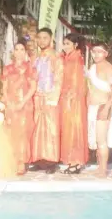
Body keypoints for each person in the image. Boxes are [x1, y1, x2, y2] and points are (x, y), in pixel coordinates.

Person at [28, 28, 62, 174]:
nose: (42, 41)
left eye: (45, 38)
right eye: (39, 38)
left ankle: (52, 160)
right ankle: (38, 159)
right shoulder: (34, 57)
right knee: (37, 127)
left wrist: (53, 96)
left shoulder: (56, 56)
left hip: (50, 96)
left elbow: (59, 77)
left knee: (51, 127)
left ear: (51, 39)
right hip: (36, 95)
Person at [2, 40, 37, 175]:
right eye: (17, 49)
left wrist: (22, 102)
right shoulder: (7, 68)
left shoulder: (30, 68)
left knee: (23, 133)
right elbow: (5, 88)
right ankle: (12, 160)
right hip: (11, 103)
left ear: (26, 52)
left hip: (25, 105)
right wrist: (8, 102)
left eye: (22, 49)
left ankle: (21, 162)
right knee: (11, 133)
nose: (19, 52)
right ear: (13, 52)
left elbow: (33, 88)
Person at [86, 43, 112, 178]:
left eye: (100, 52)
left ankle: (103, 169)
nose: (96, 54)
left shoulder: (109, 69)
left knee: (101, 140)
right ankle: (100, 166)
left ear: (106, 53)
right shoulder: (93, 67)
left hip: (102, 106)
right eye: (94, 52)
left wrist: (106, 108)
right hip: (92, 107)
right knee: (96, 140)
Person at [59, 33, 88, 174]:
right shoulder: (69, 57)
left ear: (75, 45)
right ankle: (72, 161)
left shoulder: (75, 58)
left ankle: (76, 162)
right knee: (69, 130)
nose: (65, 46)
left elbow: (76, 81)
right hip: (68, 98)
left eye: (68, 44)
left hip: (73, 99)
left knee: (74, 130)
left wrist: (70, 99)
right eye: (64, 43)